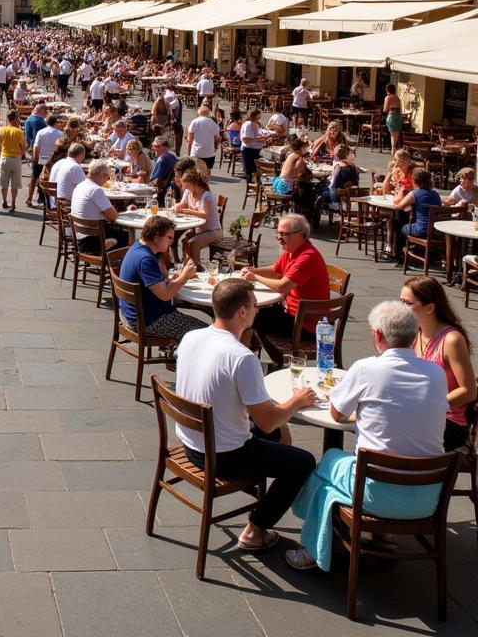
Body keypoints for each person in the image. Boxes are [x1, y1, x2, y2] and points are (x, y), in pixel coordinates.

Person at [285, 301, 447, 572]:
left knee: (328, 464)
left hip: (375, 495)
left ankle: (315, 549)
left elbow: (337, 414)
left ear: (378, 336)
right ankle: (384, 536)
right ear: (415, 334)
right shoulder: (437, 374)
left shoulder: (366, 369)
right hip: (427, 496)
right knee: (352, 465)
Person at [176, 277, 317, 552]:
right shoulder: (242, 358)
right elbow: (267, 420)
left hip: (191, 442)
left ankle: (272, 488)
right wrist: (297, 401)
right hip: (224, 455)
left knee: (279, 433)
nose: (257, 310)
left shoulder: (191, 337)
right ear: (242, 311)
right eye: (254, 306)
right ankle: (255, 529)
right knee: (303, 462)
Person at [401, 276, 477, 451]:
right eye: (400, 301)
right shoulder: (414, 333)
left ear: (430, 308)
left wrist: (431, 405)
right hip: (418, 413)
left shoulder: (451, 340)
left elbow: (469, 390)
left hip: (449, 422)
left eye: (407, 303)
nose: (400, 308)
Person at [242, 214, 329, 341]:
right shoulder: (291, 250)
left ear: (300, 235)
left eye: (284, 234)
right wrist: (252, 270)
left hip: (306, 326)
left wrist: (254, 277)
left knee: (248, 316)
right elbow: (275, 270)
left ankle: (243, 357)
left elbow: (282, 286)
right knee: (252, 311)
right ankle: (250, 351)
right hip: (292, 313)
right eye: (278, 233)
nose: (279, 238)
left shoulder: (307, 257)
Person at [119, 215, 202, 339]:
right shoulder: (145, 259)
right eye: (169, 237)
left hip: (131, 315)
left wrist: (170, 280)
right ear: (156, 236)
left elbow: (155, 285)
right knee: (205, 334)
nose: (172, 242)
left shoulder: (138, 247)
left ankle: (174, 351)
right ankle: (179, 355)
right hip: (146, 322)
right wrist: (184, 275)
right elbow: (165, 295)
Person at [69, 159, 128, 250]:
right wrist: (126, 211)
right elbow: (114, 216)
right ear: (104, 174)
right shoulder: (96, 190)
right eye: (107, 176)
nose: (107, 179)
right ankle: (123, 263)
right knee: (131, 237)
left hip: (80, 239)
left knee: (117, 232)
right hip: (92, 241)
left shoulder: (80, 185)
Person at [176, 169, 223, 267]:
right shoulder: (188, 192)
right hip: (199, 229)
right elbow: (183, 204)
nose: (184, 187)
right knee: (185, 241)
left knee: (193, 243)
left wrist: (186, 211)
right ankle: (188, 265)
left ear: (193, 184)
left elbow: (204, 215)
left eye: (186, 185)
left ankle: (197, 268)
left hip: (213, 231)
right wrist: (177, 206)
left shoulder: (206, 196)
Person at [393, 168, 443, 258]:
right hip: (434, 230)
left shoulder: (415, 193)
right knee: (410, 220)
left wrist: (399, 192)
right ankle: (417, 249)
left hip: (420, 230)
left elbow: (399, 206)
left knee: (398, 225)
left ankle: (397, 254)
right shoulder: (436, 194)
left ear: (415, 181)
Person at [0, 110, 27, 212]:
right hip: (16, 159)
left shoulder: (1, 130)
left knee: (3, 183)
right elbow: (23, 149)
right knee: (15, 184)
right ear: (16, 119)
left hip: (4, 158)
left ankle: (4, 201)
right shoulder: (19, 132)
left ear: (8, 119)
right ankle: (13, 203)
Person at [28, 114, 62, 207]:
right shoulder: (60, 134)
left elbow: (36, 148)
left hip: (41, 158)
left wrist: (35, 160)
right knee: (52, 181)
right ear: (56, 123)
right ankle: (51, 202)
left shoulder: (41, 132)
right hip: (53, 160)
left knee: (34, 178)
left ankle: (29, 199)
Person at [186, 104, 220, 170]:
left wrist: (189, 154)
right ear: (208, 113)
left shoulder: (194, 122)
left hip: (196, 152)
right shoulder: (213, 123)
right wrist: (215, 148)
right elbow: (217, 138)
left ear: (199, 113)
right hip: (209, 153)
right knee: (207, 172)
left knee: (196, 173)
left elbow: (190, 140)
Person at [326, 144, 360, 208]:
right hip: (351, 193)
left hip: (338, 195)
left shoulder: (339, 167)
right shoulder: (353, 166)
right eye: (350, 153)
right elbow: (356, 182)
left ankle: (330, 207)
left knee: (321, 192)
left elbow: (334, 185)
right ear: (347, 155)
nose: (352, 155)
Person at [239, 109, 267, 182]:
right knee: (250, 171)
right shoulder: (248, 124)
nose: (259, 119)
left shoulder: (257, 124)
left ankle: (255, 186)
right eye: (258, 117)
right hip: (249, 150)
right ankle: (251, 185)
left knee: (255, 170)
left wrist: (264, 138)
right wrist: (260, 139)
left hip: (255, 149)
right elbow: (246, 140)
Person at [383, 82, 403, 152]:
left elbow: (385, 109)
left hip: (392, 116)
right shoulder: (397, 97)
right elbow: (400, 109)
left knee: (392, 135)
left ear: (387, 90)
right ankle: (394, 150)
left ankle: (393, 151)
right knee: (396, 135)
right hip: (398, 116)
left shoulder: (388, 97)